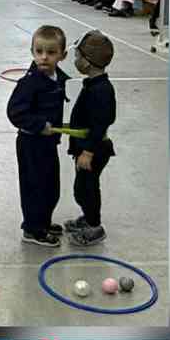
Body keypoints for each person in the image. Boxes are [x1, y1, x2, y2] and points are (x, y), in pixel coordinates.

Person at [6, 25, 70, 247]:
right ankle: (32, 229)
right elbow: (14, 112)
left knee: (51, 185)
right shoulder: (29, 83)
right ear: (32, 52)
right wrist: (39, 125)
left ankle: (43, 221)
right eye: (39, 51)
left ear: (62, 55)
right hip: (31, 143)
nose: (44, 57)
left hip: (48, 143)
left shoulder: (58, 79)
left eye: (51, 52)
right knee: (34, 186)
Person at [63, 30, 116, 247]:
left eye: (78, 56)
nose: (75, 60)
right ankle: (88, 217)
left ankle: (94, 227)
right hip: (86, 147)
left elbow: (101, 122)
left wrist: (88, 151)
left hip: (94, 149)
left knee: (87, 189)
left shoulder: (101, 90)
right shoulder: (94, 84)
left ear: (88, 61)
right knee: (83, 187)